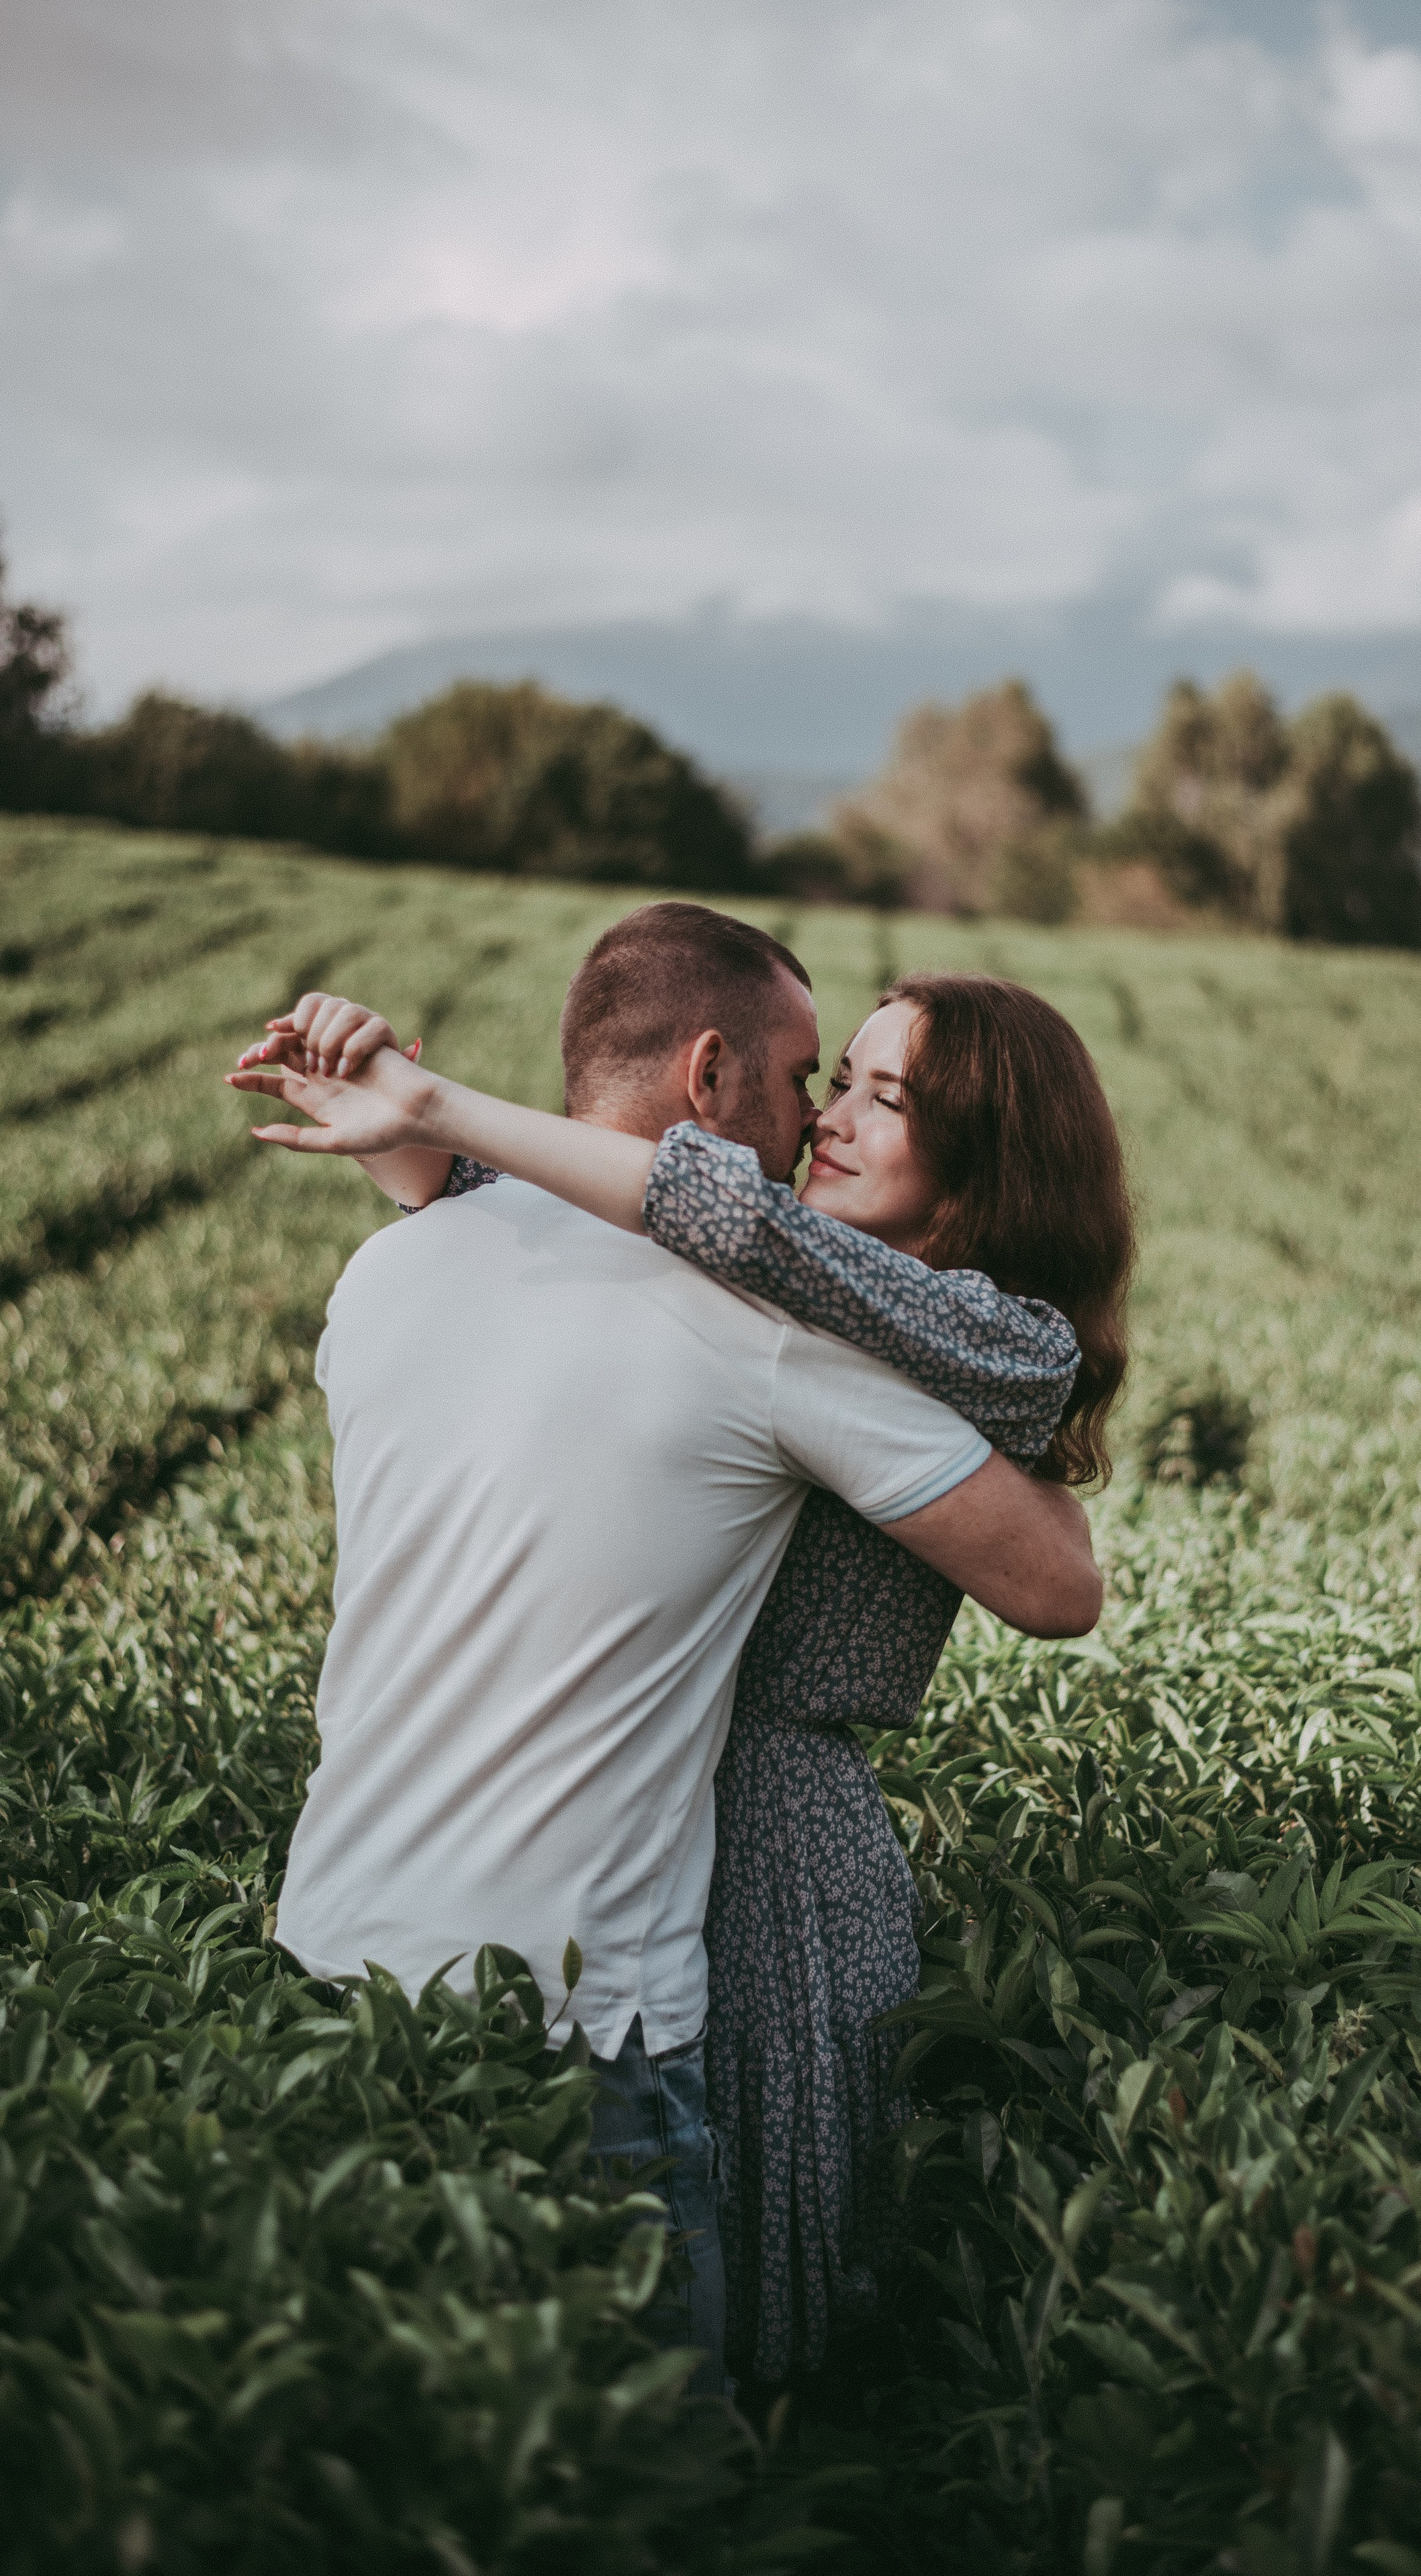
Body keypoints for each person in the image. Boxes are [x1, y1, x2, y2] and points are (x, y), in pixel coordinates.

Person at [228, 903, 1105, 2397]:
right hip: (612, 1945)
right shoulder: (751, 1329)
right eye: (815, 1077)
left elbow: (678, 1236)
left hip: (404, 1928)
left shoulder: (408, 1267)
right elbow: (1058, 1576)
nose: (819, 1115)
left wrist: (424, 1134)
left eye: (872, 1094)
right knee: (663, 2442)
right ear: (709, 1077)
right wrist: (423, 1140)